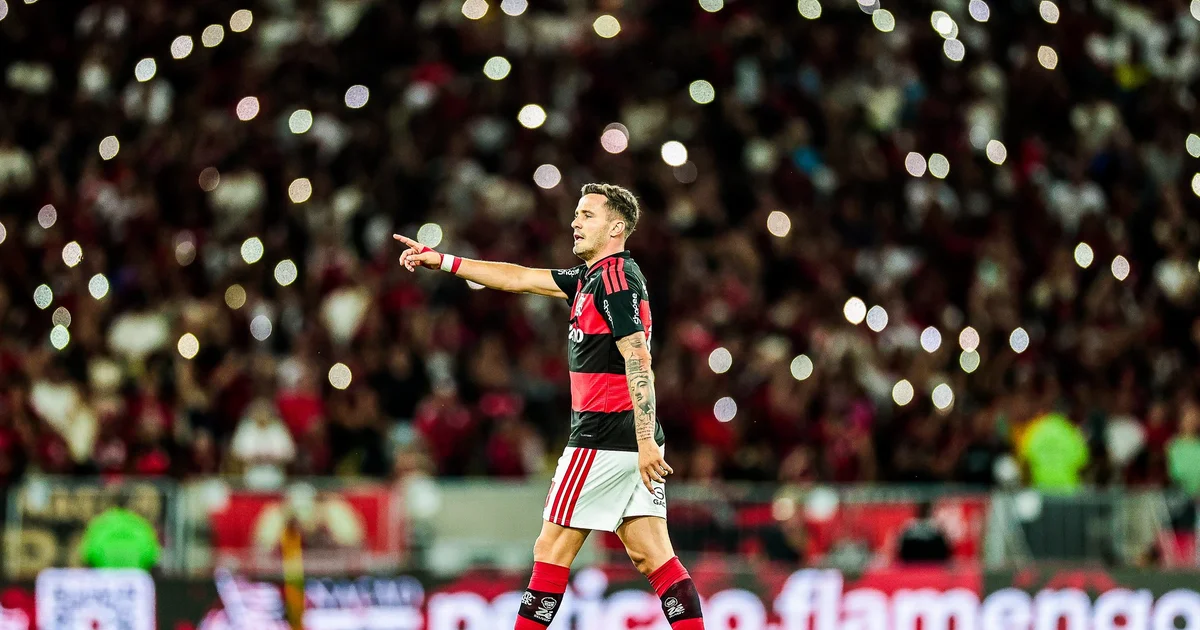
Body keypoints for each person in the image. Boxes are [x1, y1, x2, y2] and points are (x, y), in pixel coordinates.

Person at [394, 183, 704, 629]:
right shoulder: (592, 278)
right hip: (630, 441)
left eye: (587, 215)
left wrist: (643, 438)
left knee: (550, 550)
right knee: (653, 556)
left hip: (602, 438)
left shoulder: (615, 280)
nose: (575, 222)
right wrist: (443, 260)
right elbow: (517, 277)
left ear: (616, 228)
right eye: (576, 214)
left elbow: (638, 357)